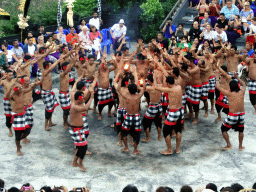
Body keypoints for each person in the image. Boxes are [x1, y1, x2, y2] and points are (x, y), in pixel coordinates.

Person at [215, 71, 246, 151]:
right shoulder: (242, 92)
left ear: (230, 87)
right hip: (242, 114)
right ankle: (240, 147)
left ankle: (229, 145)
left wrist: (216, 77)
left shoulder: (229, 94)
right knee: (241, 130)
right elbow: (244, 84)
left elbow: (217, 86)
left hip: (233, 116)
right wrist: (237, 78)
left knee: (223, 129)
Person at [117, 73, 146, 155]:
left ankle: (126, 147)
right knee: (136, 134)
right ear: (136, 90)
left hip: (128, 116)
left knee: (124, 132)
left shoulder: (127, 96)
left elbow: (118, 89)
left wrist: (120, 80)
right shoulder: (138, 96)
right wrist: (142, 79)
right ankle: (135, 150)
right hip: (136, 117)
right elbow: (144, 88)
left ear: (129, 90)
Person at [155, 75, 184, 155]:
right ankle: (177, 149)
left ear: (167, 83)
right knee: (178, 129)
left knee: (166, 130)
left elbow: (156, 88)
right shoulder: (179, 87)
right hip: (180, 111)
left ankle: (169, 150)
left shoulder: (170, 90)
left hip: (173, 112)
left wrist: (155, 77)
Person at [69, 90, 94, 171]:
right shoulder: (74, 107)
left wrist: (89, 93)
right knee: (84, 147)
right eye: (82, 98)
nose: (83, 99)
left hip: (78, 129)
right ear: (78, 98)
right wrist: (92, 98)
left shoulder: (76, 104)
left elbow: (84, 100)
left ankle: (74, 162)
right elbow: (86, 108)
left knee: (80, 147)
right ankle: (80, 164)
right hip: (76, 130)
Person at [141, 74, 163, 142]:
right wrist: (156, 77)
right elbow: (160, 83)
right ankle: (159, 137)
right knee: (158, 122)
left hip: (153, 106)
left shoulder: (150, 88)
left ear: (149, 81)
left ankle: (148, 138)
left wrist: (143, 80)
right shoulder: (160, 86)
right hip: (159, 105)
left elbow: (142, 88)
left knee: (145, 122)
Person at [97, 55, 116, 120]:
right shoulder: (99, 71)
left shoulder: (108, 69)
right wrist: (103, 61)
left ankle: (109, 112)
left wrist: (114, 60)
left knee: (111, 101)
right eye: (103, 64)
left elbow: (115, 67)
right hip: (101, 89)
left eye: (106, 64)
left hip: (108, 89)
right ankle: (100, 114)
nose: (105, 65)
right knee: (101, 104)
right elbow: (99, 68)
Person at [59, 58, 76, 129]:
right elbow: (67, 70)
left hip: (66, 93)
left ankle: (66, 122)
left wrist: (74, 60)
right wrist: (71, 63)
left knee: (68, 110)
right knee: (65, 110)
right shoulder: (62, 74)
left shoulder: (68, 74)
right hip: (63, 94)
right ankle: (64, 123)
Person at [0, 70, 15, 137]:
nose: (11, 76)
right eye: (9, 75)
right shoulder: (3, 81)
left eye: (12, 75)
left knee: (16, 115)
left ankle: (17, 130)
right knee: (8, 116)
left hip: (14, 100)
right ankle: (10, 131)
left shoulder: (14, 81)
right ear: (6, 75)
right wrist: (2, 78)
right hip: (7, 101)